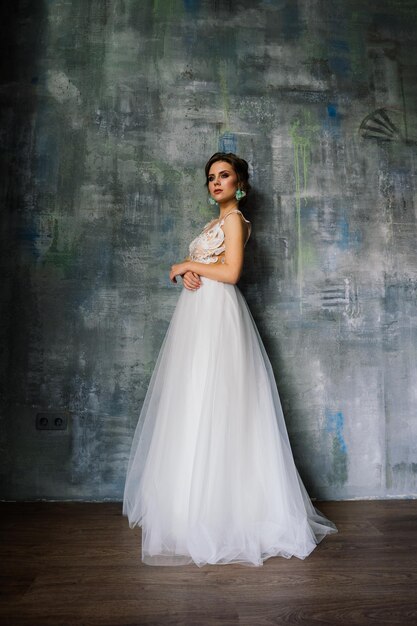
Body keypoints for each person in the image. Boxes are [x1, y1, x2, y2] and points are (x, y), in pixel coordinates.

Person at [123, 152, 337, 567]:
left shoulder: (235, 220)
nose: (216, 182)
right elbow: (212, 267)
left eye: (224, 176)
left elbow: (233, 272)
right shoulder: (212, 225)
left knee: (222, 403)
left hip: (220, 318)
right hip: (198, 319)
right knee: (195, 399)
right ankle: (191, 506)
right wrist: (190, 274)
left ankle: (230, 511)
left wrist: (186, 263)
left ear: (239, 183)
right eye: (211, 178)